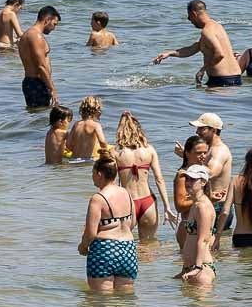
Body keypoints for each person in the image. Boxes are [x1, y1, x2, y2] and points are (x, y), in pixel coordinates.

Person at [78, 154, 138, 292]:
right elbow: (132, 222)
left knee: (101, 302)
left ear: (99, 174)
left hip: (105, 249)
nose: (92, 177)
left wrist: (83, 246)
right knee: (123, 300)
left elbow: (91, 234)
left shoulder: (98, 198)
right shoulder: (126, 193)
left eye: (93, 173)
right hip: (128, 249)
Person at [112, 112, 173, 241]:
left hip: (128, 203)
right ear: (139, 129)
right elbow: (159, 179)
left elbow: (112, 182)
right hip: (148, 202)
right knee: (148, 247)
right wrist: (167, 207)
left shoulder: (116, 152)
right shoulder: (149, 150)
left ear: (120, 130)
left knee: (124, 244)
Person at [152, 0, 243, 86]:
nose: (188, 19)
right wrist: (169, 53)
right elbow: (193, 48)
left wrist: (202, 70)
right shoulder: (216, 26)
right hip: (235, 78)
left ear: (193, 13)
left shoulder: (207, 31)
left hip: (221, 80)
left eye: (189, 16)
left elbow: (219, 54)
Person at [177, 165, 217, 285]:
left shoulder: (202, 206)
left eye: (193, 179)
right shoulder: (196, 204)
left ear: (203, 182)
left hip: (201, 269)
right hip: (190, 268)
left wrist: (197, 268)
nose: (188, 182)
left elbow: (204, 240)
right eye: (187, 179)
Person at [18, 5, 60, 108]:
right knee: (44, 117)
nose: (54, 28)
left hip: (33, 83)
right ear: (47, 20)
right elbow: (41, 66)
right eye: (54, 24)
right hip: (36, 83)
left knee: (38, 118)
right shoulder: (35, 36)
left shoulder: (28, 34)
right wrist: (52, 89)